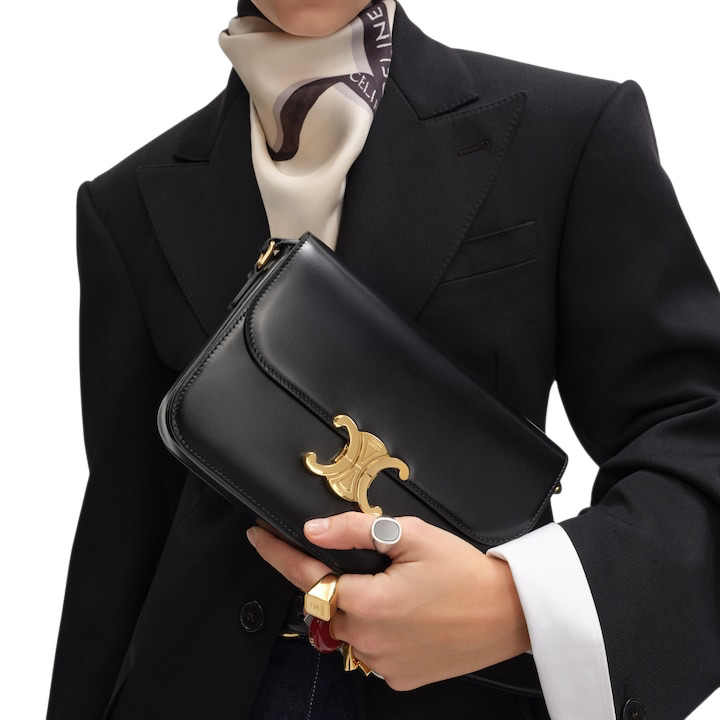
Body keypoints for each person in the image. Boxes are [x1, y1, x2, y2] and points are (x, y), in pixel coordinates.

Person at [46, 1, 720, 719]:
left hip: (465, 696)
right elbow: (121, 538)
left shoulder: (566, 131)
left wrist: (519, 603)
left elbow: (700, 436)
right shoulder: (126, 203)